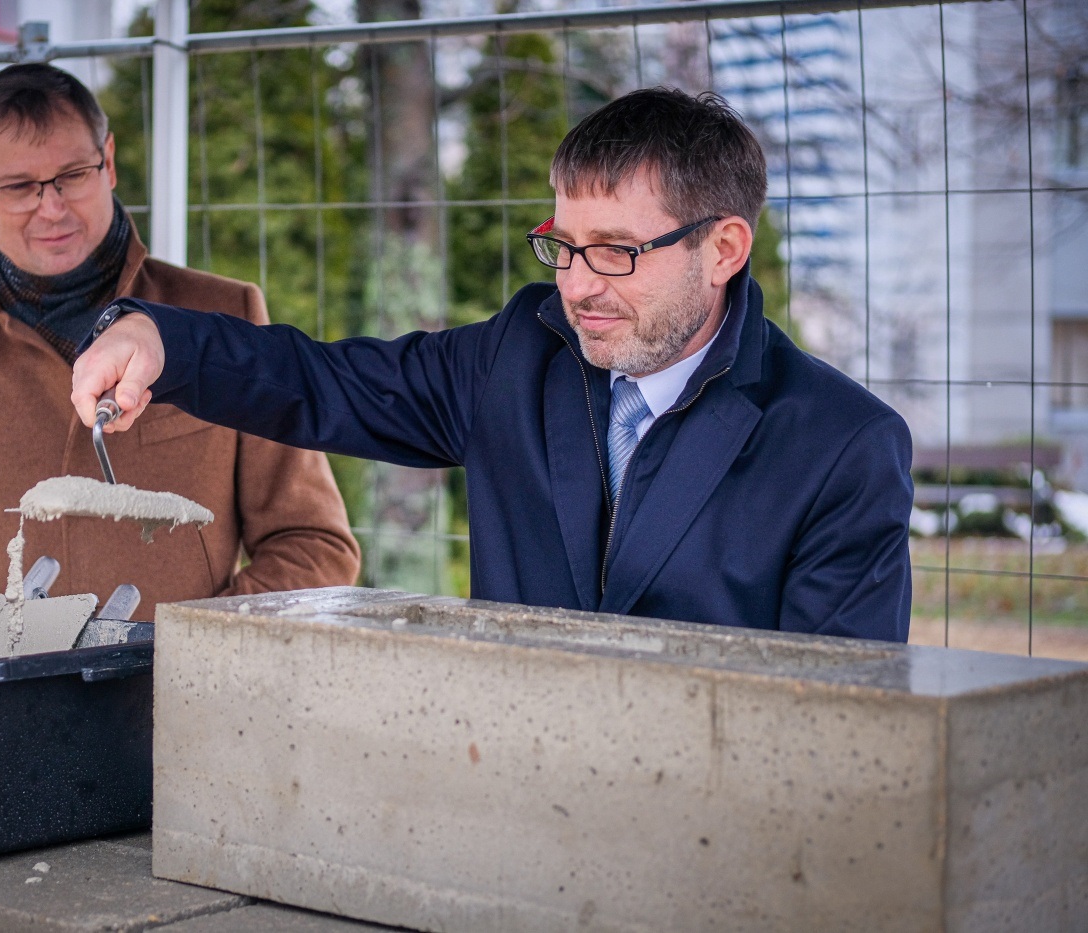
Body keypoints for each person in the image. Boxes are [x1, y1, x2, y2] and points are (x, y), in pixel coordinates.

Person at [71, 87, 914, 641]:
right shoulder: (520, 353)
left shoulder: (843, 448)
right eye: (563, 246)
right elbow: (322, 382)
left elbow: (836, 714)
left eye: (617, 251)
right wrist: (160, 340)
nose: (578, 285)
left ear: (724, 247)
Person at [0, 63, 359, 603]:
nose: (53, 207)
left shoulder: (224, 314)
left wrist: (190, 653)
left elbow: (313, 545)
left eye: (73, 175)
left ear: (108, 162)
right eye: (19, 187)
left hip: (180, 686)